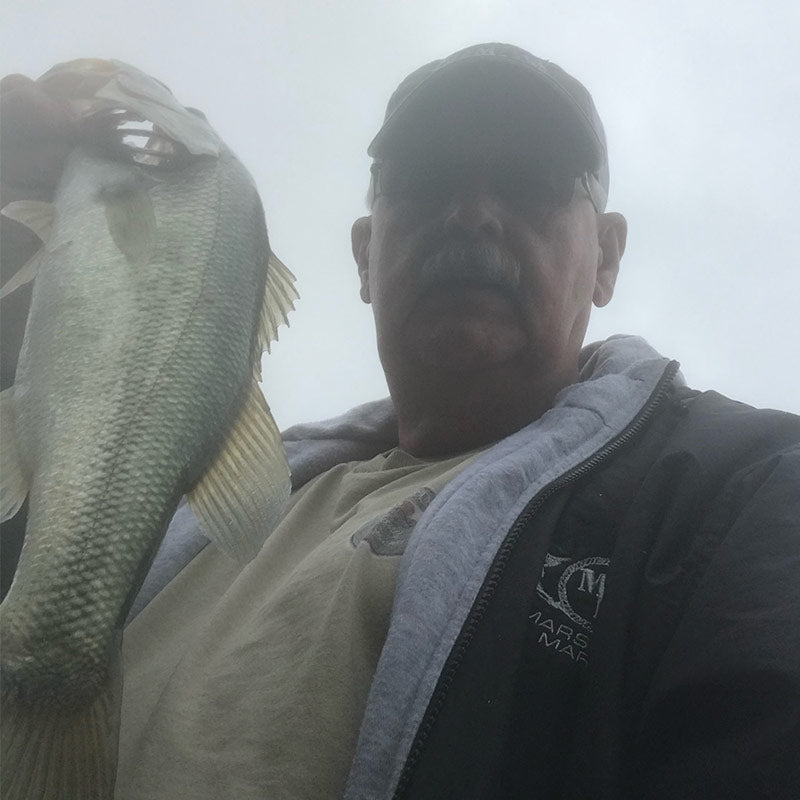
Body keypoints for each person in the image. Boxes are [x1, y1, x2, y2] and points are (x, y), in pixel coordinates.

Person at [1, 43, 799, 799]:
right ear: (362, 257)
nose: (471, 213)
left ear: (608, 257)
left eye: (533, 179)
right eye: (421, 177)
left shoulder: (738, 489)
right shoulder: (175, 492)